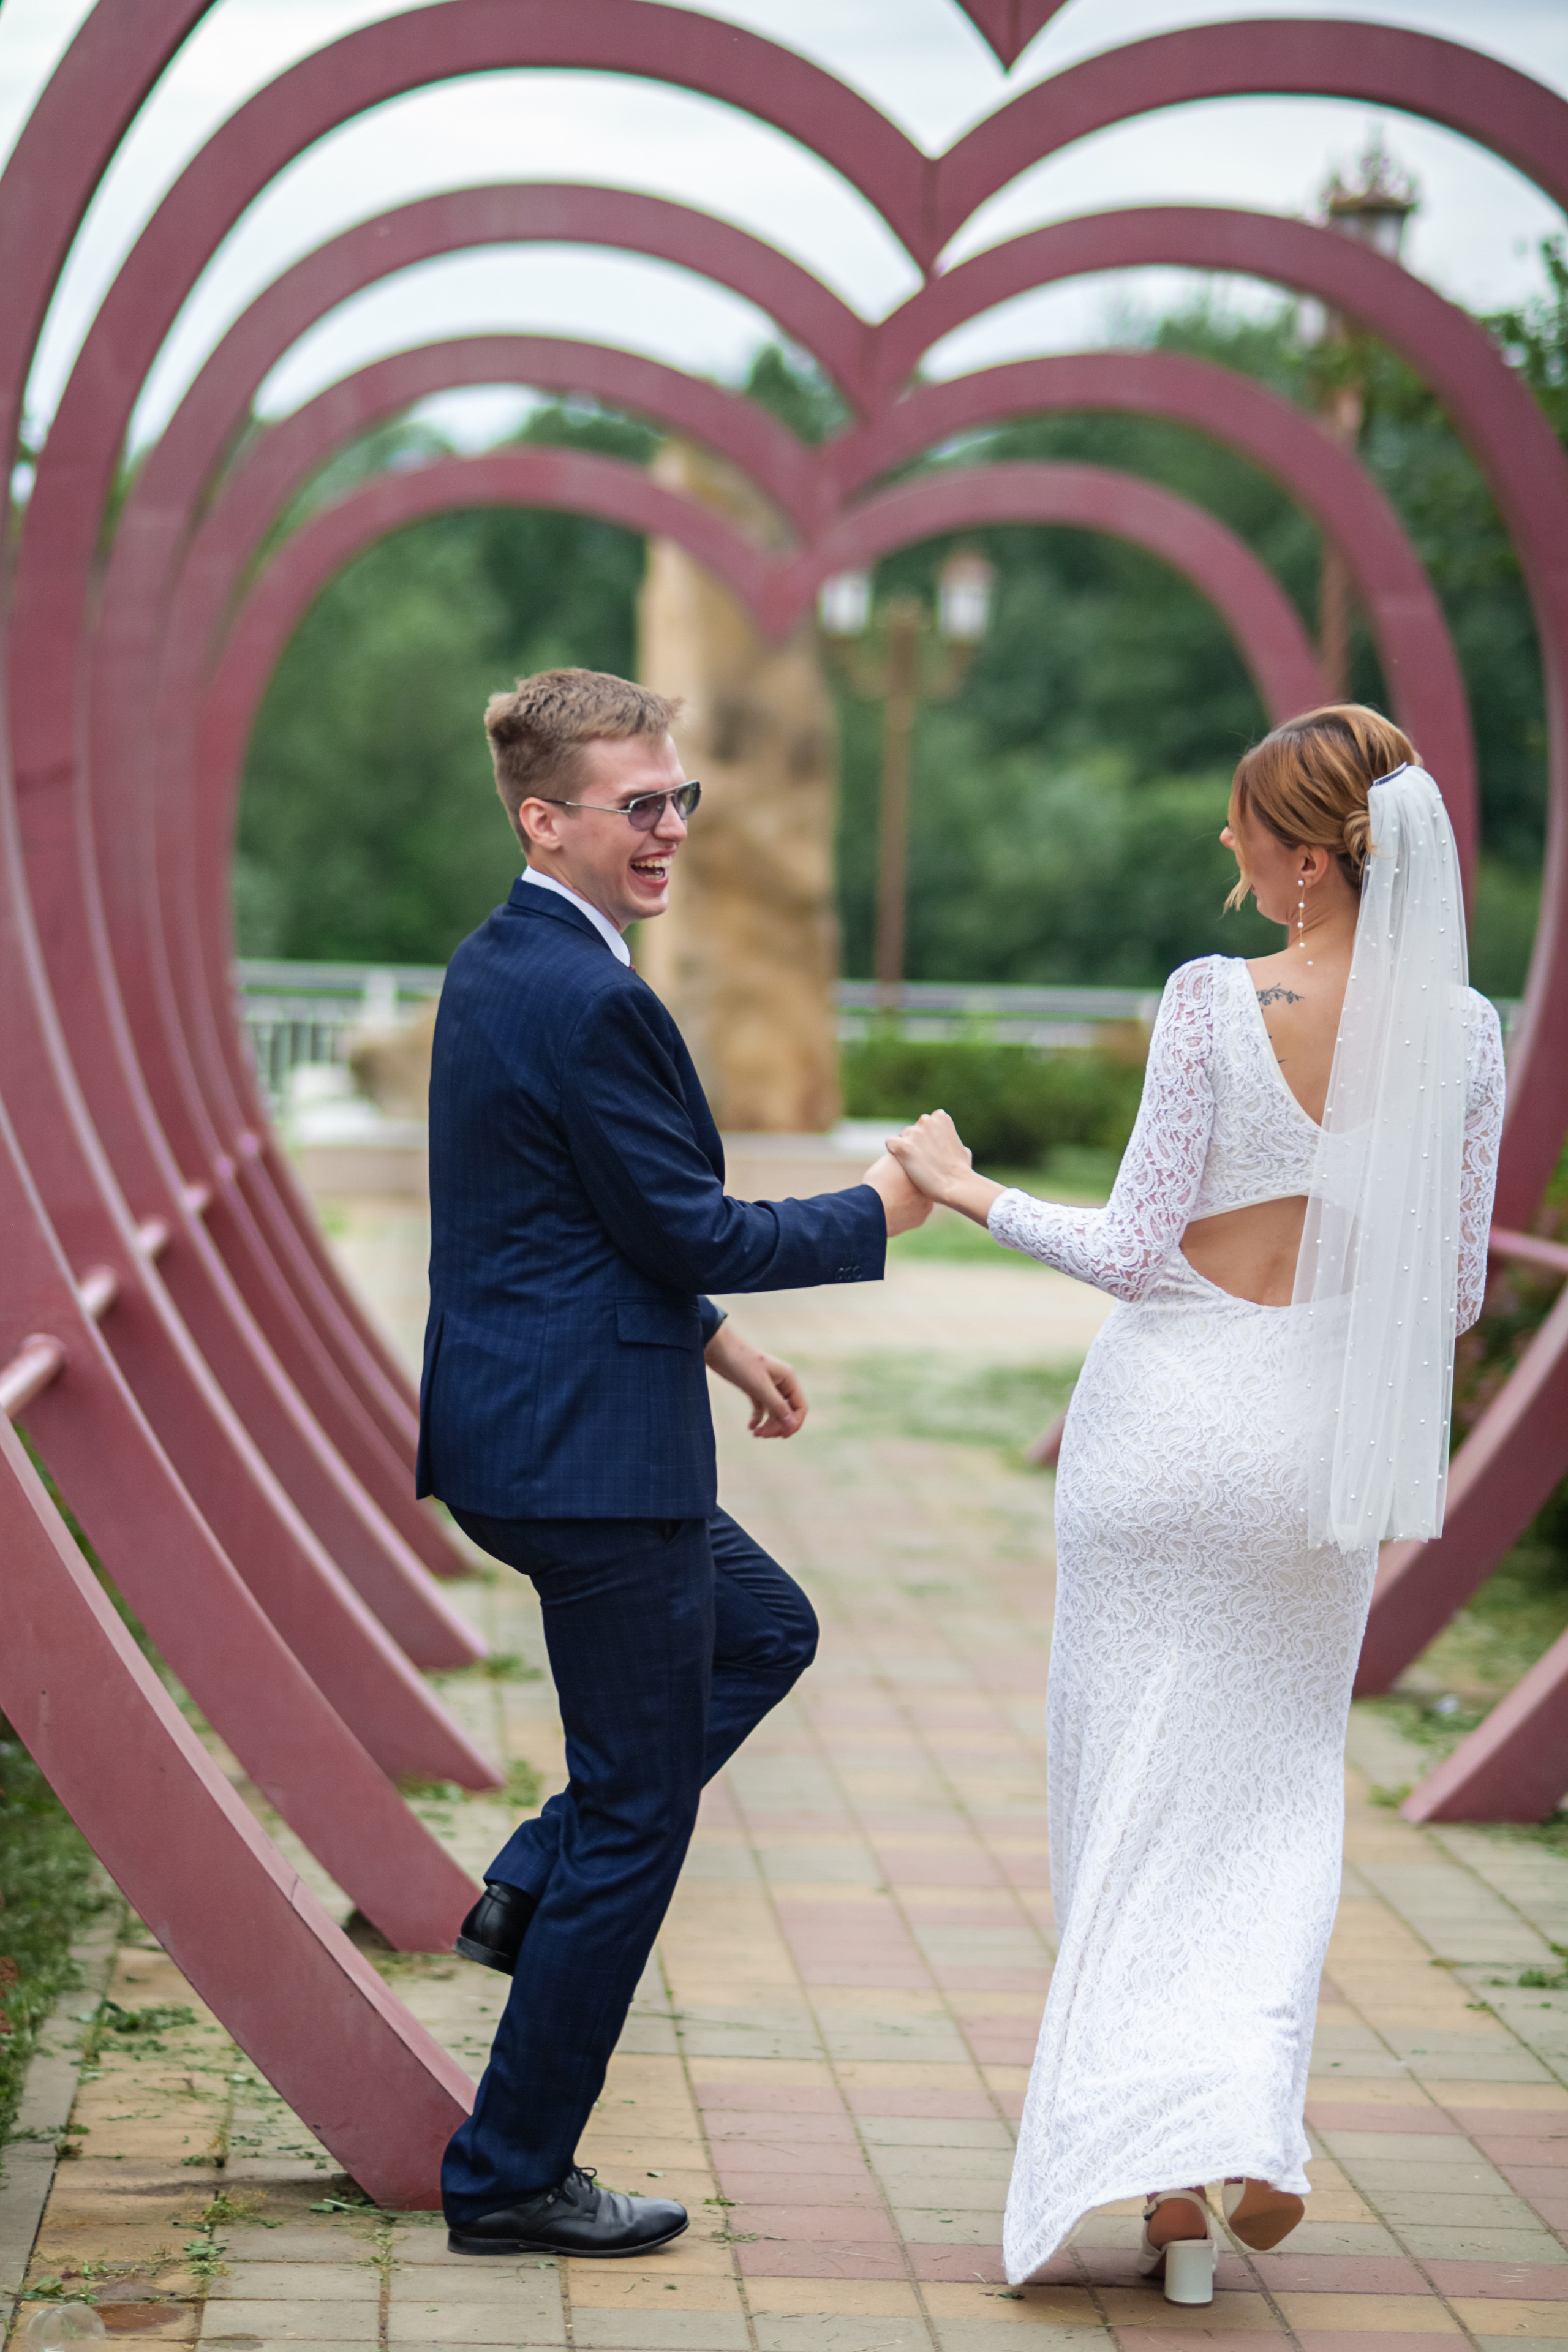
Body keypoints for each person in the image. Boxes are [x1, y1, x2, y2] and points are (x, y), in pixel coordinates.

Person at [885, 706, 1505, 2302]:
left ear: (1304, 858)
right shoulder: (1468, 1034)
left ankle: (1164, 2173)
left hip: (1160, 1438)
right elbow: (1440, 1304)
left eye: (1240, 827)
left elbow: (1130, 1247)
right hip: (1312, 1460)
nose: (1221, 849)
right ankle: (1244, 2141)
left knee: (1130, 1805)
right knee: (1273, 1805)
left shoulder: (1213, 1002)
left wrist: (966, 1192)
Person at [417, 667, 928, 2260]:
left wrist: (715, 1339)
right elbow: (687, 1220)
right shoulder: (595, 997)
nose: (673, 828)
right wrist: (884, 1210)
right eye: (642, 805)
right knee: (644, 1820)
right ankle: (509, 2173)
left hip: (537, 1429)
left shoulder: (504, 964)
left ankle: (524, 1876)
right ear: (543, 816)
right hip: (592, 1461)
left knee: (767, 1632)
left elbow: (585, 1217)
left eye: (682, 797)